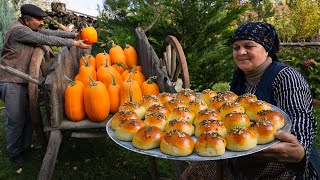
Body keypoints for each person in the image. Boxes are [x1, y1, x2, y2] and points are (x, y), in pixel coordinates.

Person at [181, 22, 319, 179]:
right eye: (236, 47)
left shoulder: (286, 77)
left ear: (266, 49)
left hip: (279, 163)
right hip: (239, 151)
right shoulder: (241, 76)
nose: (241, 52)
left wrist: (299, 149)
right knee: (196, 172)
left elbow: (301, 117)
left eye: (249, 46)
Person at [0, 4, 90, 165]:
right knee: (16, 120)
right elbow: (45, 39)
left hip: (24, 81)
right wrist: (74, 44)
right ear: (27, 21)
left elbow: (50, 32)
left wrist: (74, 35)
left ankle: (25, 147)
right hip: (11, 81)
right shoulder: (19, 31)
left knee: (27, 117)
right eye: (39, 20)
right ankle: (14, 153)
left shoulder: (29, 28)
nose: (42, 23)